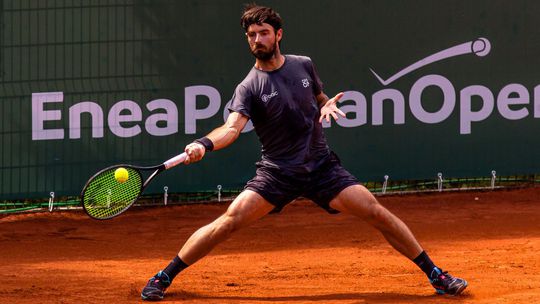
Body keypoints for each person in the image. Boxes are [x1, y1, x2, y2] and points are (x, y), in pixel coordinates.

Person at [141, 4, 468, 301]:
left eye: (264, 33)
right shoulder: (249, 87)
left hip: (322, 167)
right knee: (229, 221)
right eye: (252, 35)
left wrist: (327, 105)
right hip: (277, 173)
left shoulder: (303, 66)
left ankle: (436, 274)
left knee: (375, 211)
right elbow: (231, 129)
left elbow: (320, 96)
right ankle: (164, 276)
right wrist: (203, 143)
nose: (257, 39)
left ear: (278, 35)